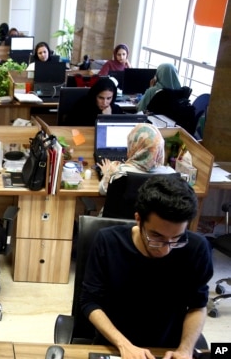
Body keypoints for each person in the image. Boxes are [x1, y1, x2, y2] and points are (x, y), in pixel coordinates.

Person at [81, 175, 213, 358]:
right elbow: (90, 302)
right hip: (115, 346)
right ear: (138, 219)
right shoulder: (108, 242)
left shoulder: (196, 249)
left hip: (168, 350)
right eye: (157, 237)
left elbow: (198, 306)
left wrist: (185, 350)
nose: (166, 249)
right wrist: (123, 344)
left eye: (176, 238)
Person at [97, 123, 175, 195]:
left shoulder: (119, 173)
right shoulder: (171, 175)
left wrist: (107, 173)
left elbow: (102, 190)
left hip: (124, 210)